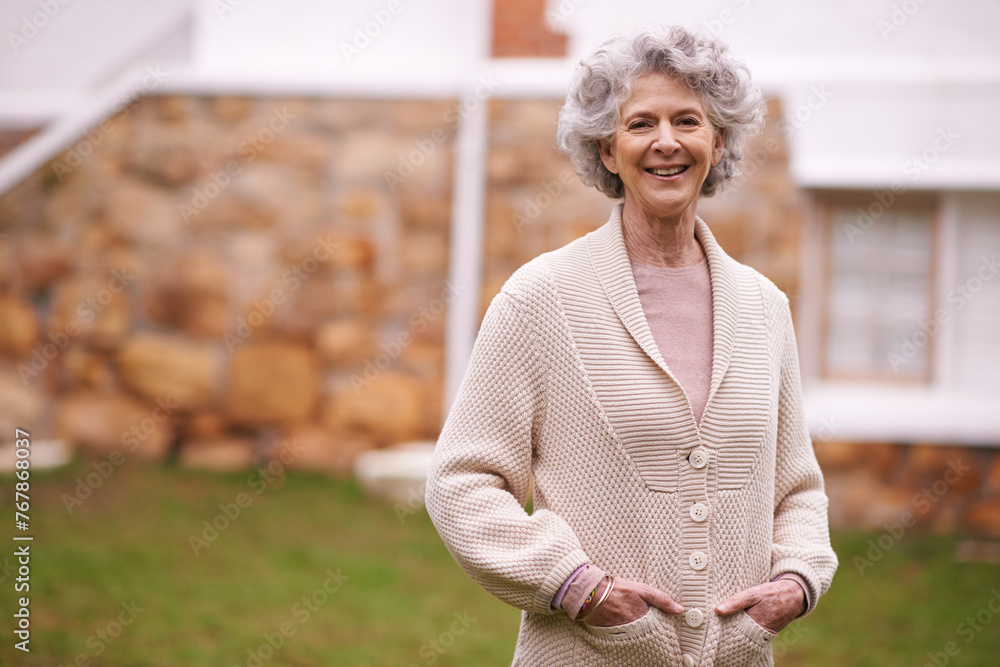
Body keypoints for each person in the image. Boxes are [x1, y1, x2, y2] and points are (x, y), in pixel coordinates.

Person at [425, 24, 837, 666]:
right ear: (608, 151)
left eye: (688, 121)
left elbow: (797, 490)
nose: (666, 142)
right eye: (641, 123)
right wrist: (580, 588)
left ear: (718, 141)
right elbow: (462, 481)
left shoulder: (764, 307)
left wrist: (796, 583)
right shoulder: (541, 299)